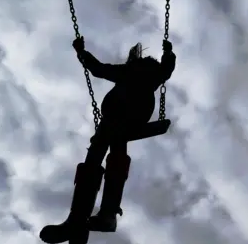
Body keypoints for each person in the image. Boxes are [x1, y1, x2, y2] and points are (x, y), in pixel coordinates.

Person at [39, 37, 176, 243]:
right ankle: (99, 216)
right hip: (122, 122)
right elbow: (166, 67)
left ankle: (83, 217)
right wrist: (168, 53)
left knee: (97, 159)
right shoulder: (151, 75)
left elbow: (98, 69)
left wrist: (81, 52)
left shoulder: (131, 73)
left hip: (118, 121)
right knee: (107, 159)